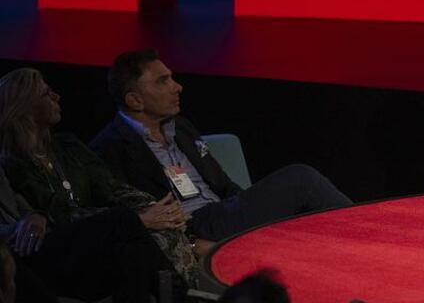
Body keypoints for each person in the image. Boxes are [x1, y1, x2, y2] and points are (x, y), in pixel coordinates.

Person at [92, 50, 352, 243]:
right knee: (300, 179)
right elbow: (128, 215)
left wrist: (251, 208)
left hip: (223, 211)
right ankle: (373, 230)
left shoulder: (180, 127)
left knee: (307, 212)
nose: (177, 87)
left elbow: (222, 183)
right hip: (193, 225)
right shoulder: (111, 148)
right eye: (163, 81)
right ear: (135, 100)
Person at [0, 68, 188, 302]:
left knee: (132, 253)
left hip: (91, 238)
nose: (57, 97)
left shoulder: (67, 145)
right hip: (52, 245)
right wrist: (138, 218)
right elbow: (55, 213)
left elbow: (109, 185)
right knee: (123, 219)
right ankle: (182, 295)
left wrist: (148, 206)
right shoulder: (14, 162)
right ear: (25, 105)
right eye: (47, 94)